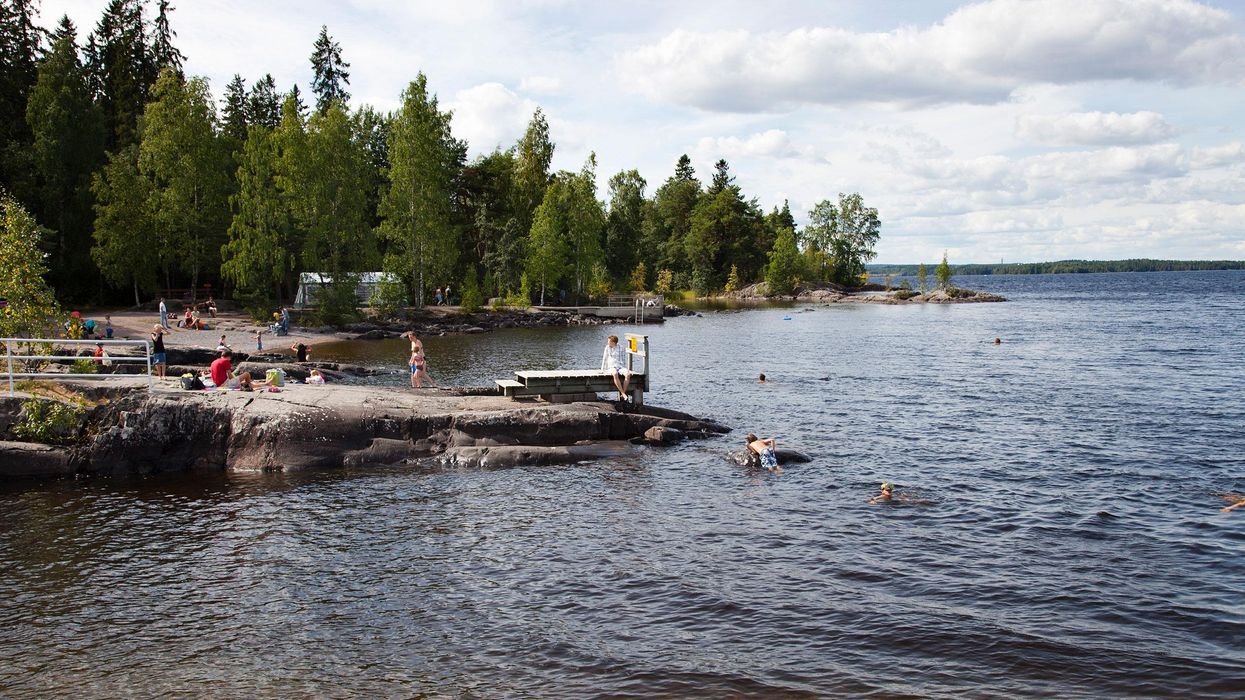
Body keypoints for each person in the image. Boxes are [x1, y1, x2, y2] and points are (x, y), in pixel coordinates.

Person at [601, 334, 631, 401]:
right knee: (615, 374)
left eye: (609, 341)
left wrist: (624, 369)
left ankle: (623, 393)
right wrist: (602, 370)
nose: (608, 343)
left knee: (628, 374)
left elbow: (623, 359)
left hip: (620, 366)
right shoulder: (607, 348)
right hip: (611, 367)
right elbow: (604, 359)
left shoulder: (621, 347)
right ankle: (623, 394)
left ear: (613, 342)